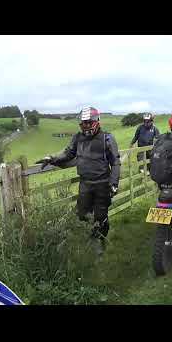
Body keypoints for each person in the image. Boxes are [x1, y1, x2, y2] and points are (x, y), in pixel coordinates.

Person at [35, 106, 120, 255]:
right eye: (82, 123)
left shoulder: (107, 138)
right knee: (82, 215)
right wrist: (52, 159)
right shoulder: (78, 138)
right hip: (85, 183)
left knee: (101, 216)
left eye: (88, 123)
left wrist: (113, 183)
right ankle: (89, 241)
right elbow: (68, 153)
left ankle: (100, 242)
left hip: (102, 184)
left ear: (95, 121)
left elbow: (115, 162)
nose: (85, 126)